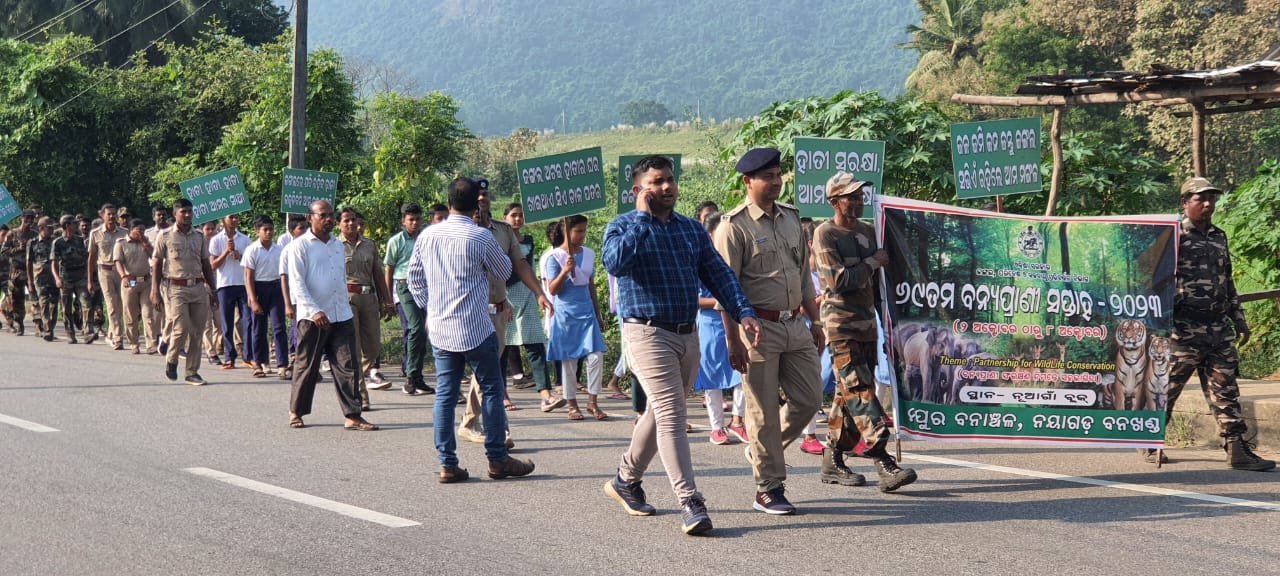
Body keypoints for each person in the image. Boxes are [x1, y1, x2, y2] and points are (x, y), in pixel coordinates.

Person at [602, 155, 761, 536]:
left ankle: (625, 479)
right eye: (656, 181)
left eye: (670, 179)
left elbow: (719, 274)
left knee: (660, 411)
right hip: (646, 332)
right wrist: (642, 219)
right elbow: (616, 264)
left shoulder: (690, 229)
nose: (667, 187)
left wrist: (743, 311)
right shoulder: (622, 226)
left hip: (687, 333)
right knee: (672, 412)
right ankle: (690, 501)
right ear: (638, 190)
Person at [713, 147, 825, 515]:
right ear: (748, 181)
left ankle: (762, 451)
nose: (776, 182)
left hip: (795, 323)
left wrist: (815, 320)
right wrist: (733, 340)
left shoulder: (792, 217)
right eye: (767, 177)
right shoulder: (733, 227)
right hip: (757, 329)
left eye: (778, 175)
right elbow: (725, 289)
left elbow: (803, 276)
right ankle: (768, 488)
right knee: (762, 411)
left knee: (809, 399)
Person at [407, 177, 534, 483]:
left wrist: (430, 310)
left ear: (449, 201)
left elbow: (414, 280)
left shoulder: (428, 235)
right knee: (492, 390)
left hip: (441, 328)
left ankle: (448, 463)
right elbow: (504, 271)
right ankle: (497, 458)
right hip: (476, 325)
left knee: (446, 395)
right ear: (476, 202)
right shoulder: (480, 237)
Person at [1160, 177, 1274, 471]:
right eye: (1201, 198)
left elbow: (1228, 281)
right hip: (1182, 332)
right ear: (1185, 202)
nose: (1208, 204)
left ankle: (1236, 449)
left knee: (1226, 391)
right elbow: (1152, 281)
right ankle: (1150, 440)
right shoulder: (1171, 236)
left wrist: (1239, 319)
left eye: (1211, 198)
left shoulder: (1219, 236)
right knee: (1166, 391)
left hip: (1218, 329)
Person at [814, 173, 918, 491]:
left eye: (860, 196)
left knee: (849, 395)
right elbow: (837, 281)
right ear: (835, 201)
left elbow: (879, 286)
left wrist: (889, 327)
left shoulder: (869, 231)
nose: (858, 201)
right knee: (859, 390)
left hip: (868, 325)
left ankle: (832, 460)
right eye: (851, 197)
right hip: (840, 326)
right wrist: (872, 261)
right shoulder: (825, 233)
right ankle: (883, 461)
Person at [457, 180, 552, 442]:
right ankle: (498, 430)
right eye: (477, 196)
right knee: (487, 371)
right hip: (469, 311)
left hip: (498, 309)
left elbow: (520, 265)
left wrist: (539, 293)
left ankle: (471, 422)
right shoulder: (459, 231)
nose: (481, 200)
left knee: (487, 371)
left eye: (485, 195)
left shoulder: (503, 231)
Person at [282, 200, 378, 432]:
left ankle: (353, 415)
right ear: (310, 218)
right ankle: (296, 411)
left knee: (348, 365)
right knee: (307, 366)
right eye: (322, 215)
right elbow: (297, 283)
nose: (328, 219)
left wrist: (343, 306)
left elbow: (338, 279)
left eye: (330, 215)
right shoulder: (300, 246)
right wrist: (314, 310)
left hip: (341, 313)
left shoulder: (337, 245)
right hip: (313, 317)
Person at [544, 215, 609, 421]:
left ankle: (593, 401)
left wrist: (597, 313)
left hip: (586, 311)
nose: (582, 235)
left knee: (596, 356)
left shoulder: (588, 254)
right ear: (566, 230)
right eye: (578, 231)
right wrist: (565, 271)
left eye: (584, 231)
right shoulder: (554, 257)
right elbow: (552, 289)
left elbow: (590, 285)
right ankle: (572, 404)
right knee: (569, 361)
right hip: (566, 314)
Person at [694, 212, 748, 445]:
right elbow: (693, 299)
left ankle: (738, 420)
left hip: (735, 320)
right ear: (710, 235)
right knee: (712, 375)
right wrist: (720, 302)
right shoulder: (698, 260)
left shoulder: (735, 257)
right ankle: (716, 427)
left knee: (742, 371)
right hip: (709, 323)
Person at [151, 199, 218, 385]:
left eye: (190, 211)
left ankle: (191, 372)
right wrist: (155, 291)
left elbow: (206, 264)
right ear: (175, 214)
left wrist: (213, 290)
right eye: (183, 212)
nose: (188, 215)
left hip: (198, 287)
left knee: (198, 331)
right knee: (181, 328)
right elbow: (157, 264)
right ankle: (172, 359)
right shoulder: (165, 236)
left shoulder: (199, 236)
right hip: (175, 287)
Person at [339, 208, 394, 406]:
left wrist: (387, 301)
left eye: (353, 220)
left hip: (369, 298)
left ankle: (355, 378)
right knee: (353, 347)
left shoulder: (369, 245)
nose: (351, 224)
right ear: (339, 224)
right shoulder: (335, 246)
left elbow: (378, 274)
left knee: (372, 349)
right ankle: (361, 395)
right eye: (346, 220)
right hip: (347, 299)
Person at [501, 203, 554, 395]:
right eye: (513, 215)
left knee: (535, 343)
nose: (517, 219)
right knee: (504, 345)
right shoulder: (499, 242)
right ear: (505, 218)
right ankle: (503, 393)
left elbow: (527, 268)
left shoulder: (528, 241)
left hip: (527, 294)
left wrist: (539, 293)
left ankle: (545, 392)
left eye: (521, 215)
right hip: (505, 296)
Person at [384, 203, 433, 395]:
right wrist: (388, 298)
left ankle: (418, 376)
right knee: (415, 327)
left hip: (425, 286)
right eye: (410, 219)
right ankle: (411, 376)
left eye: (417, 219)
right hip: (404, 285)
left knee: (424, 331)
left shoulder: (426, 237)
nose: (414, 223)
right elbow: (389, 269)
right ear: (403, 221)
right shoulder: (396, 241)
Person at [243, 216, 289, 379]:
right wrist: (253, 299)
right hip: (259, 288)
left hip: (276, 288)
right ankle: (259, 362)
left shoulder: (279, 250)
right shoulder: (252, 250)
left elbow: (284, 274)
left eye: (271, 229)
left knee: (279, 327)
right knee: (258, 328)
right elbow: (248, 276)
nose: (269, 232)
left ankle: (282, 364)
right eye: (265, 229)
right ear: (258, 231)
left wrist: (286, 296)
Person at [209, 213, 252, 370]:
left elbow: (251, 263)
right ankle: (229, 357)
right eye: (231, 217)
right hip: (225, 285)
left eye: (236, 217)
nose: (234, 220)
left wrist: (239, 256)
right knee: (226, 323)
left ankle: (248, 356)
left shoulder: (245, 240)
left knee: (247, 321)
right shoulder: (216, 240)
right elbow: (213, 265)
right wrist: (226, 252)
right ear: (224, 219)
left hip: (243, 284)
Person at [113, 219, 157, 354]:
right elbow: (118, 262)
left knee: (148, 313)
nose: (141, 232)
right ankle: (134, 342)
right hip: (131, 281)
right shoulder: (121, 243)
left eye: (143, 230)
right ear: (131, 230)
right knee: (130, 313)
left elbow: (154, 256)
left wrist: (146, 243)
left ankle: (151, 343)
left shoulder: (145, 241)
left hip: (145, 281)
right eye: (139, 230)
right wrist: (123, 276)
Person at [87, 204, 127, 349]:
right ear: (102, 215)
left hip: (121, 272)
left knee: (121, 304)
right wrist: (90, 281)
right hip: (104, 271)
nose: (111, 217)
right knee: (111, 304)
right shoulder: (95, 233)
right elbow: (91, 258)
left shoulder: (124, 233)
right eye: (108, 214)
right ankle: (118, 337)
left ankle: (111, 333)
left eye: (113, 214)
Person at [3, 210, 38, 336]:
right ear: (22, 218)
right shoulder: (12, 234)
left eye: (32, 218)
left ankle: (40, 325)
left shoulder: (35, 234)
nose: (30, 220)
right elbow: (4, 251)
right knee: (17, 300)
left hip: (32, 270)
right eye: (27, 217)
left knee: (36, 298)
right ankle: (19, 324)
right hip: (16, 271)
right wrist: (18, 249)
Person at [26, 217, 59, 342]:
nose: (51, 230)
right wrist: (30, 281)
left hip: (54, 276)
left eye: (52, 228)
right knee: (44, 302)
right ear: (41, 228)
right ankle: (47, 329)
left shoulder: (55, 242)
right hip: (40, 277)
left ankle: (51, 326)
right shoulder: (32, 243)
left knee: (54, 303)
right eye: (49, 228)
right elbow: (29, 262)